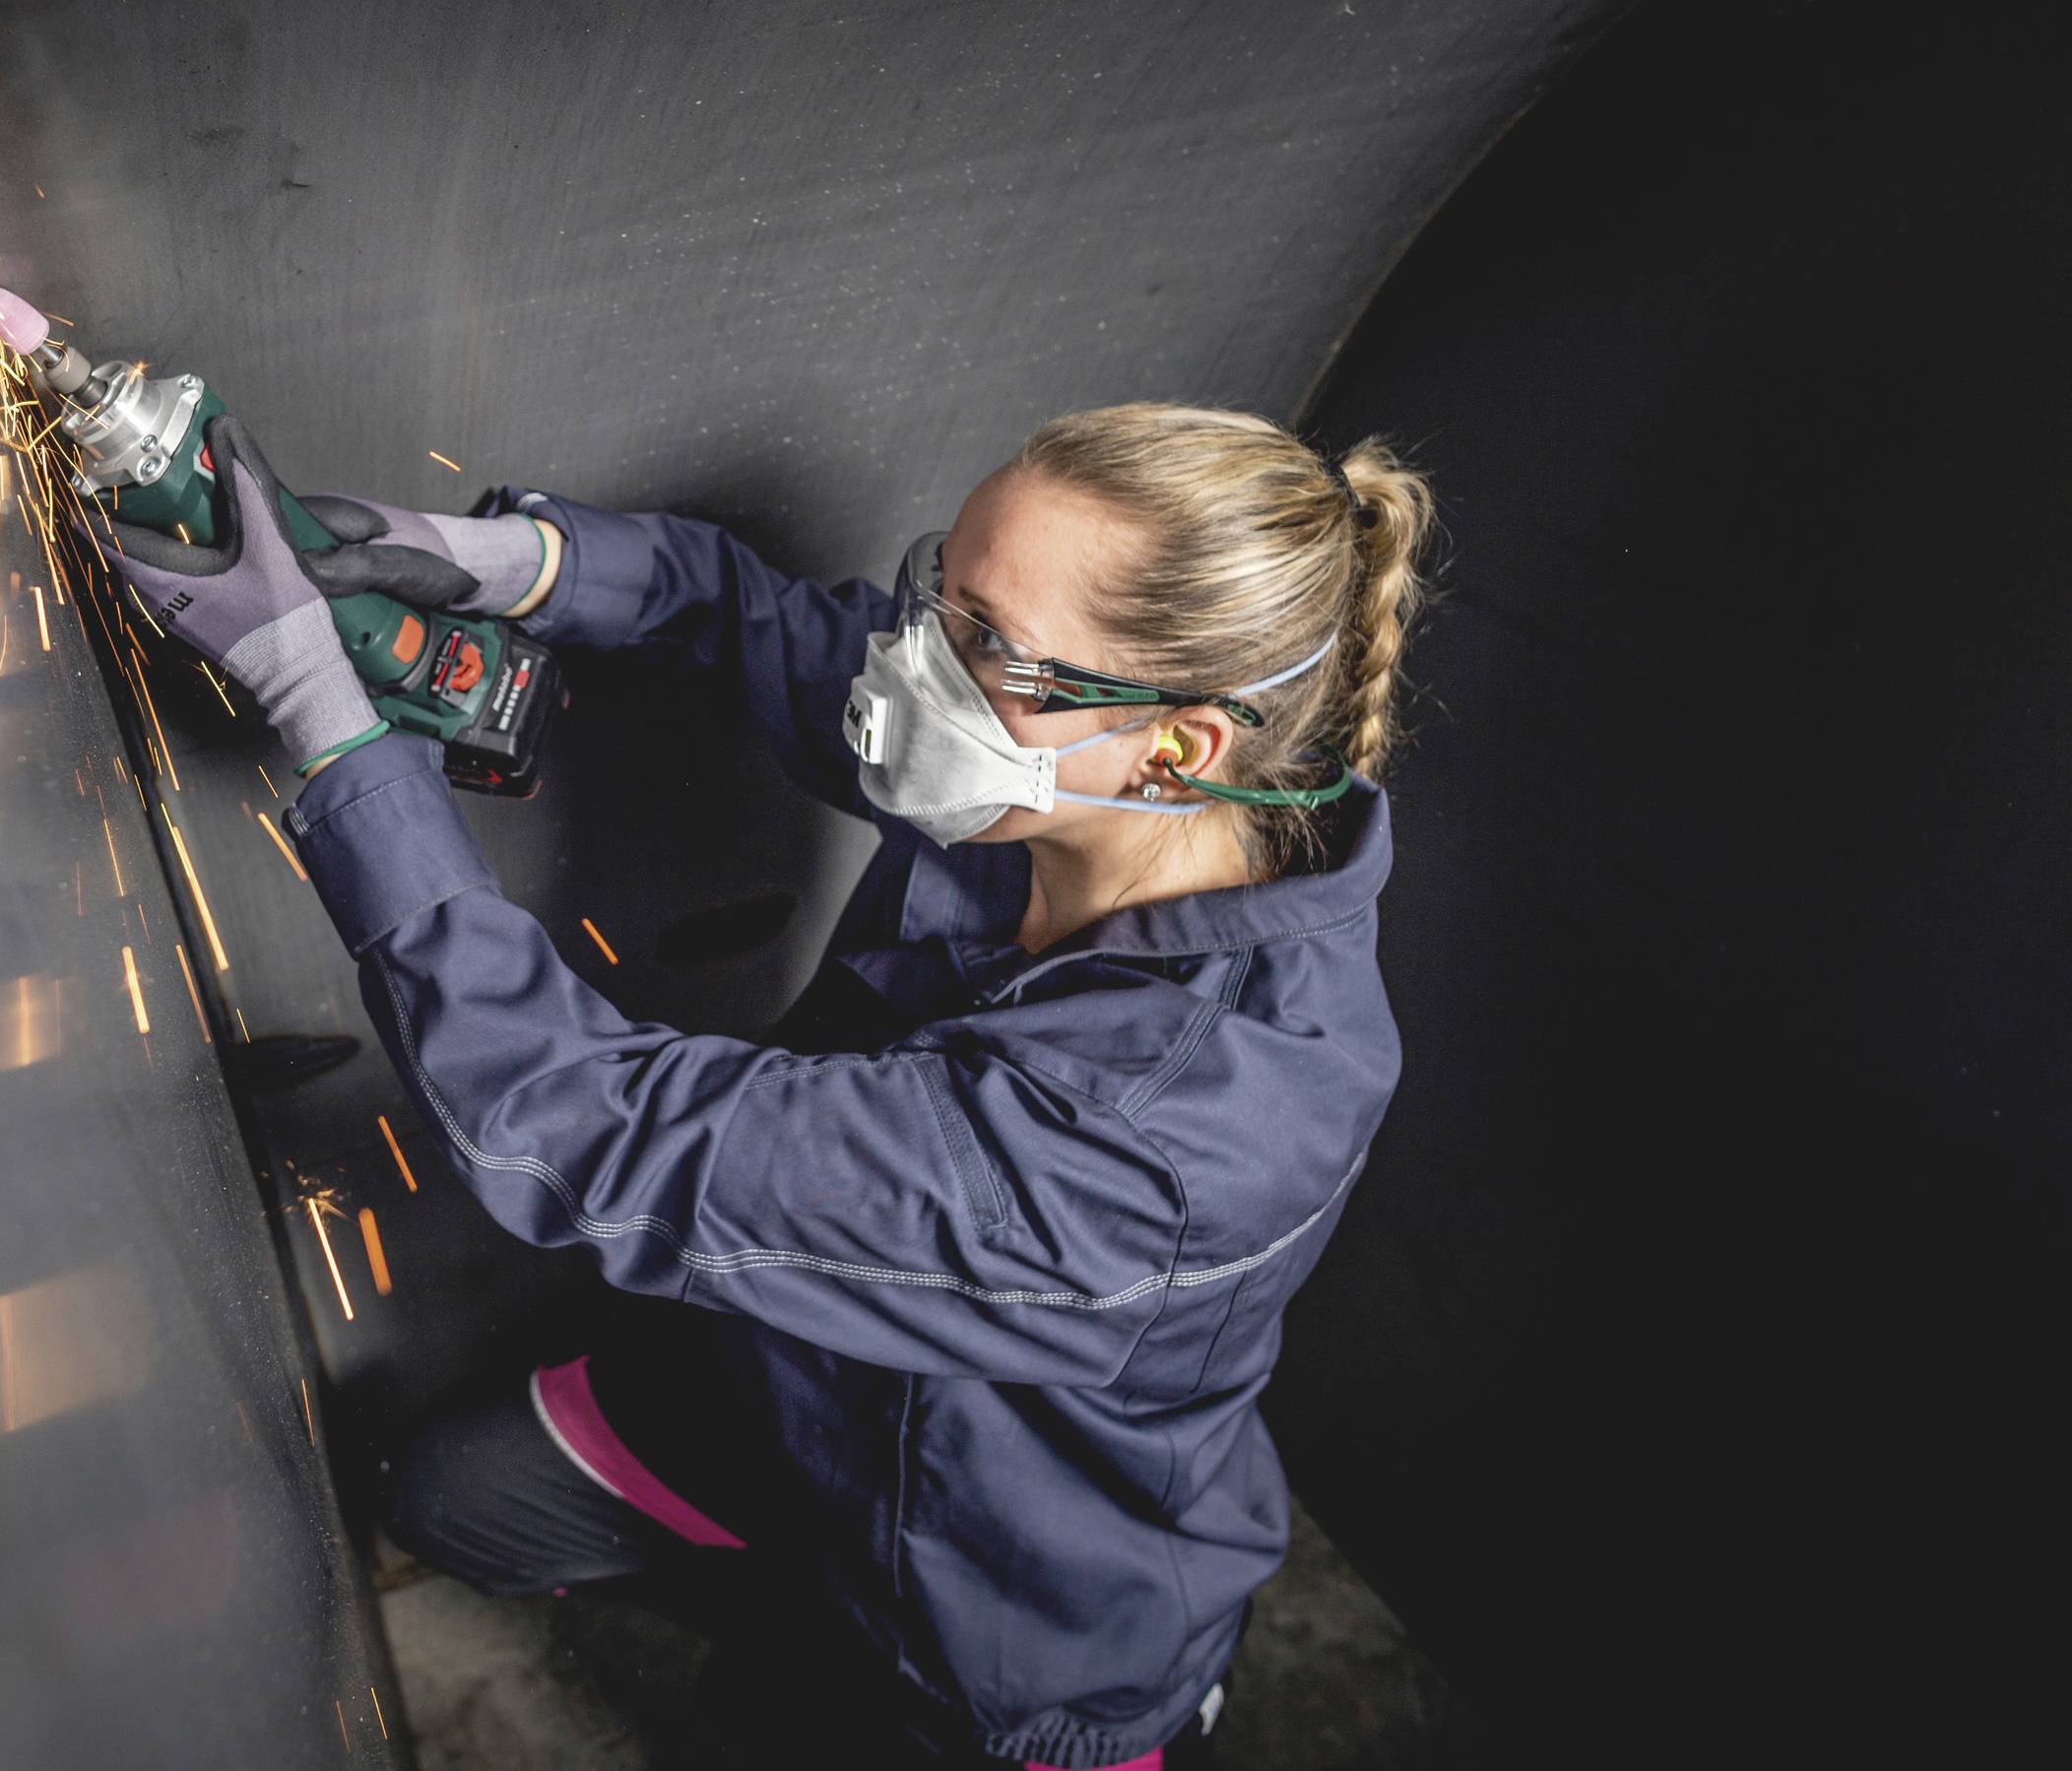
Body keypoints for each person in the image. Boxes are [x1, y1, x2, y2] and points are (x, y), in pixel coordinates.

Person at [107, 402, 1438, 1770]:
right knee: (455, 1501)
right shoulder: (1069, 794)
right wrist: (465, 558)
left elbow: (585, 1122)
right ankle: (778, 1609)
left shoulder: (1165, 1138)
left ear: (1177, 746)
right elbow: (753, 616)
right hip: (785, 1395)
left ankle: (822, 1655)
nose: (917, 659)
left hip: (993, 1622)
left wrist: (326, 720)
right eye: (945, 590)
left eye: (982, 643)